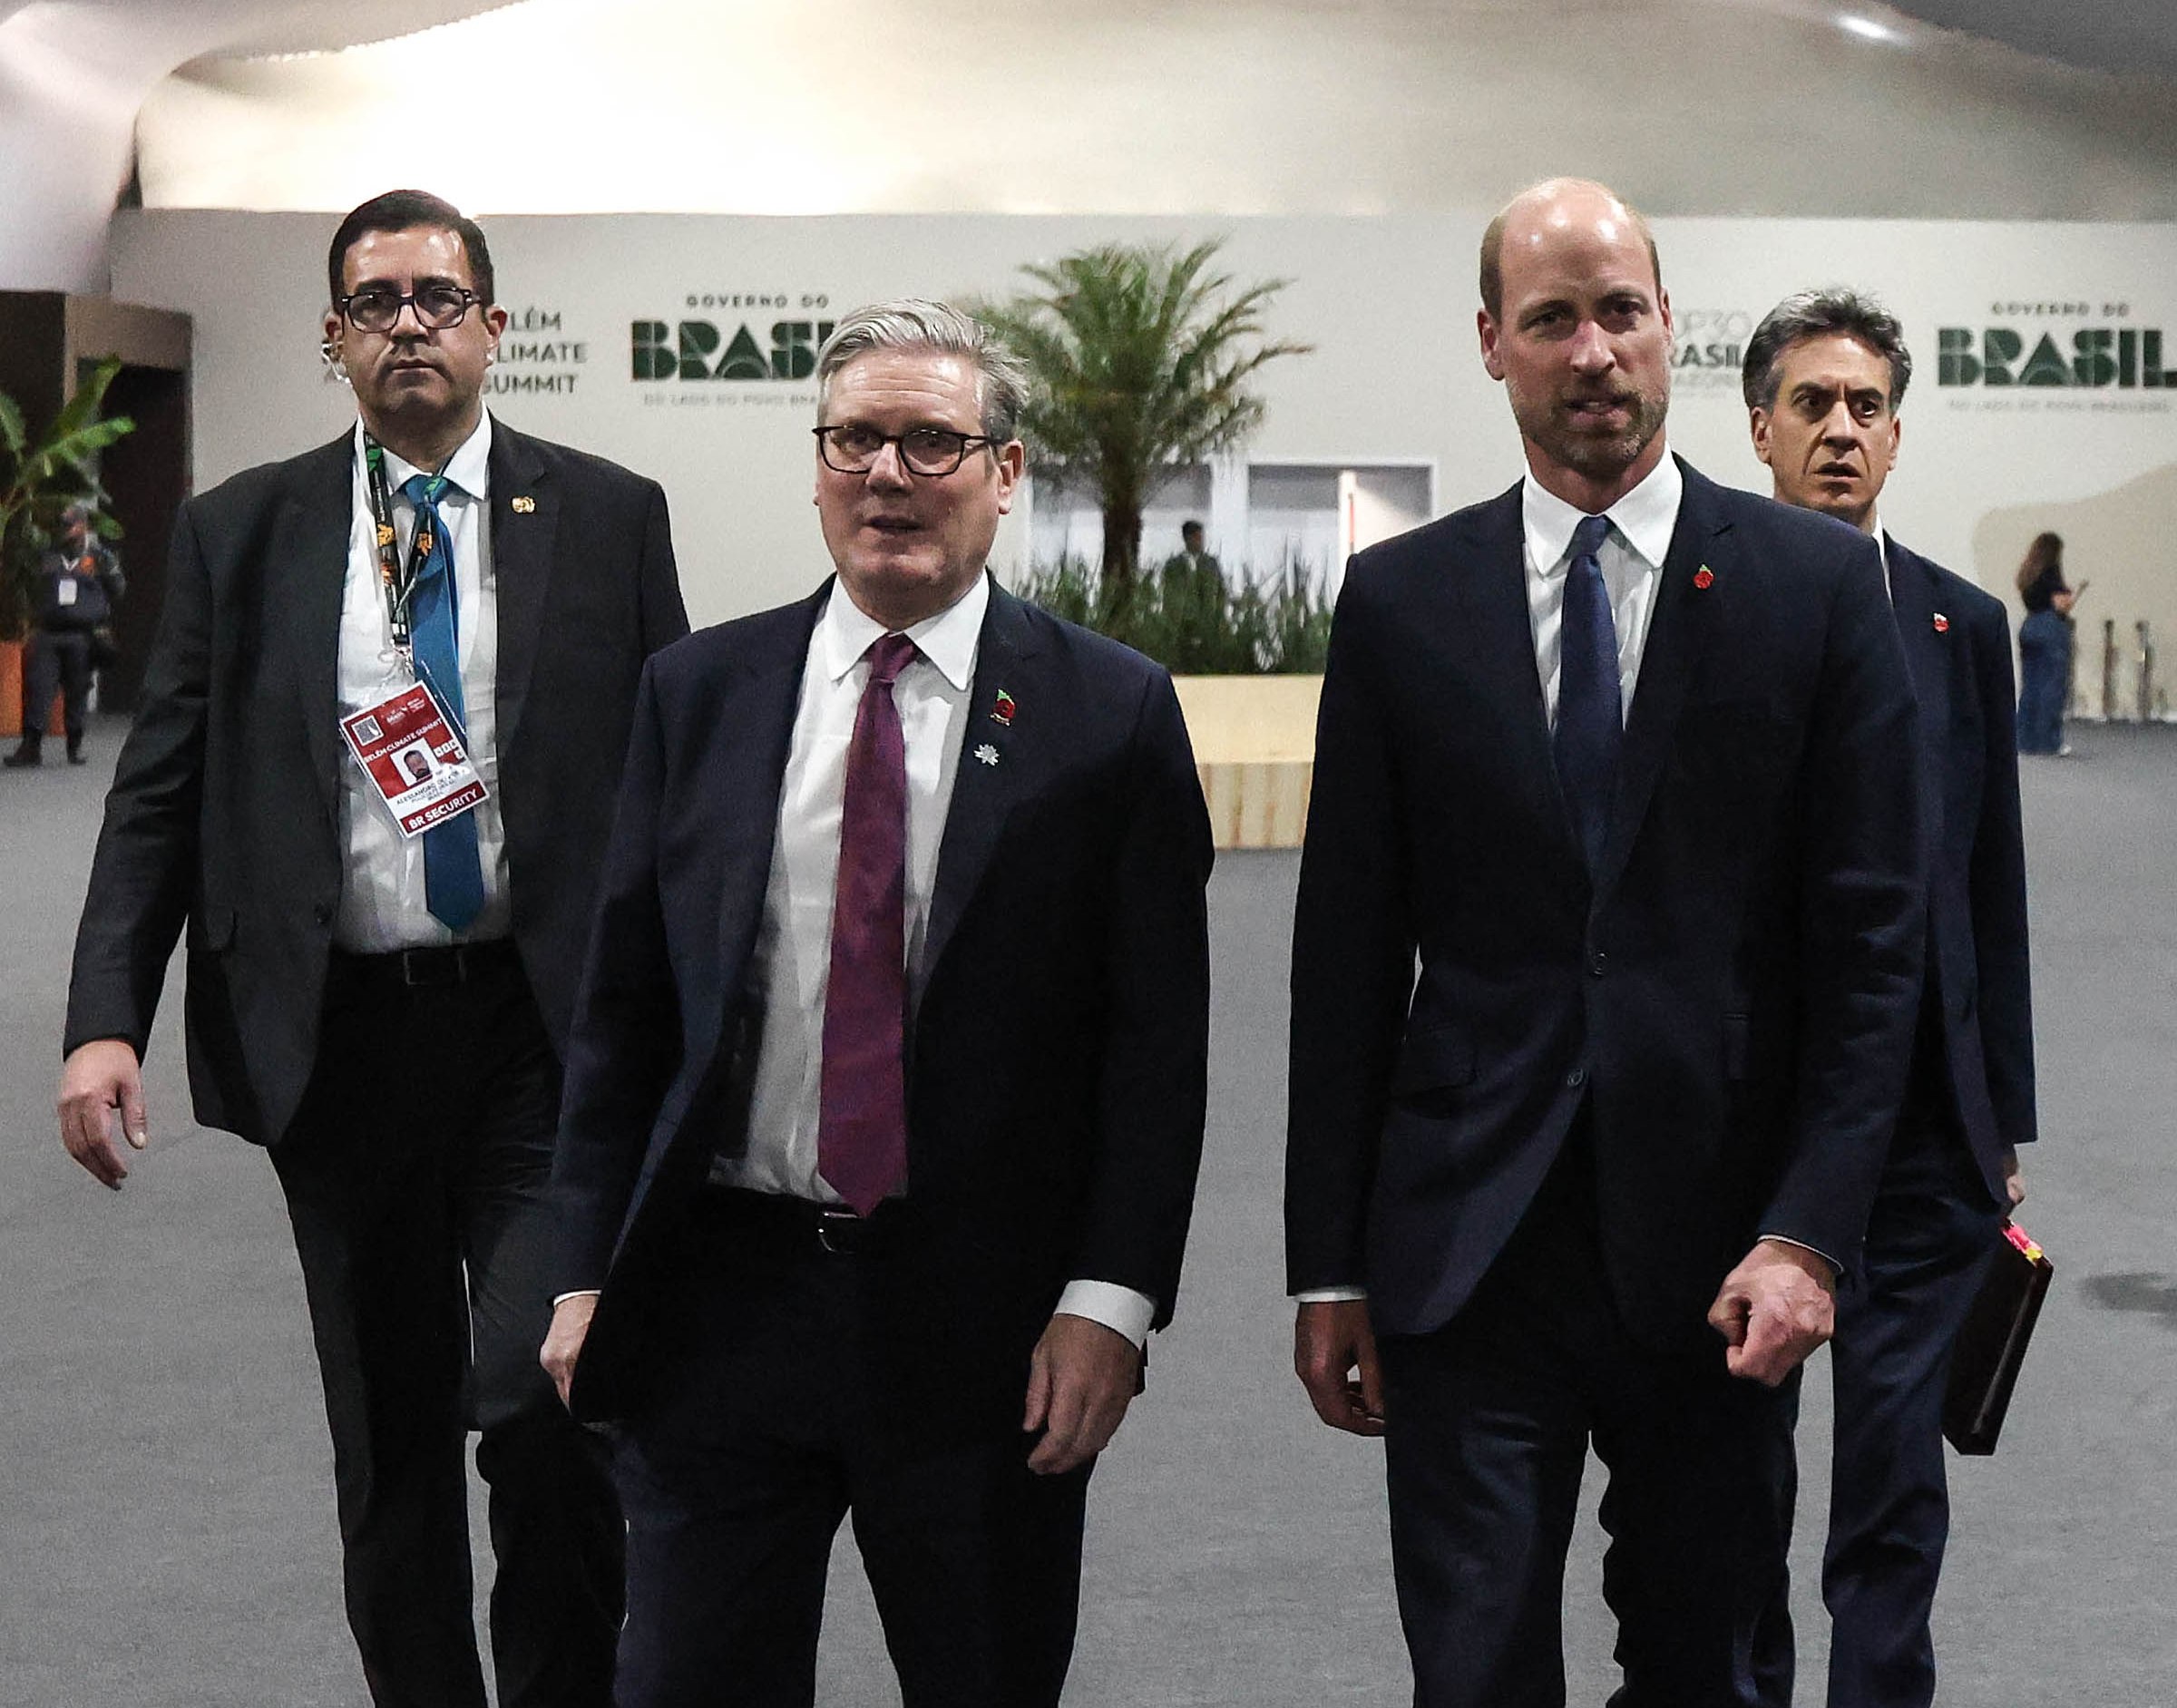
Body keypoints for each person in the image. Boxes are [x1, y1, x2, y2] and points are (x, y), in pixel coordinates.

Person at [1285, 180, 1927, 1706]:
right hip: (1467, 1247)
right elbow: (1347, 955)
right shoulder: (1401, 602)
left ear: (1669, 328)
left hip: (1723, 1254)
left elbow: (1874, 948)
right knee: (1473, 1668)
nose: (1593, 351)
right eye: (1554, 318)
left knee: (1709, 1666)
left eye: (1621, 311)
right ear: (1493, 342)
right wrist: (1328, 1264)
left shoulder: (1814, 588)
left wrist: (1809, 1231)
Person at [57, 189, 688, 1706]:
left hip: (541, 1034)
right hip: (339, 1041)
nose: (410, 323)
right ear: (334, 336)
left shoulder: (611, 515)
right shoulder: (243, 531)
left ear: (494, 327)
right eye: (376, 301)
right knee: (391, 1440)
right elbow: (159, 791)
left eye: (438, 297)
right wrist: (103, 1015)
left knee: (541, 1397)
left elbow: (682, 785)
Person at [538, 299, 1214, 1708]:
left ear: (1005, 471)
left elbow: (1155, 1049)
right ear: (816, 463)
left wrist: (1109, 1300)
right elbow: (626, 1015)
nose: (887, 474)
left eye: (930, 441)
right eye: (854, 440)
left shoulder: (1109, 714)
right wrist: (585, 1267)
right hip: (721, 1304)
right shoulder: (698, 692)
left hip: (979, 1325)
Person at [1743, 286, 2036, 1708]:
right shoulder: (1703, 611)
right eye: (1812, 403)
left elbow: (1990, 882)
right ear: (1760, 429)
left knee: (1896, 1479)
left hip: (1926, 1128)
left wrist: (2002, 1117)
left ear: (1899, 435)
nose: (1842, 430)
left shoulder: (1959, 624)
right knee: (1734, 1475)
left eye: (1867, 407)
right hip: (1753, 1121)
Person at [5, 500, 125, 767]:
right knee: (39, 687)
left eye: (69, 525)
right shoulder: (46, 555)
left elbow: (118, 589)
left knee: (77, 690)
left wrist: (103, 582)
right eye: (61, 525)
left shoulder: (99, 557)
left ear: (82, 526)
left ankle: (74, 744)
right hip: (48, 632)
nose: (63, 530)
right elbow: (29, 585)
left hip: (82, 635)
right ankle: (30, 746)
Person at [2014, 532, 2074, 755]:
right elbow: (2061, 603)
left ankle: (2024, 741)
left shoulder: (2028, 574)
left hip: (2029, 626)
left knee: (2030, 686)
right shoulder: (2051, 573)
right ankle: (2048, 742)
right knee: (2052, 687)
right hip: (2050, 627)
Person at [1160, 518, 1225, 597]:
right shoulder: (1173, 566)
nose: (1201, 542)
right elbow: (1169, 594)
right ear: (1187, 539)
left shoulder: (1211, 563)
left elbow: (1221, 591)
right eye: (1197, 538)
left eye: (1201, 538)